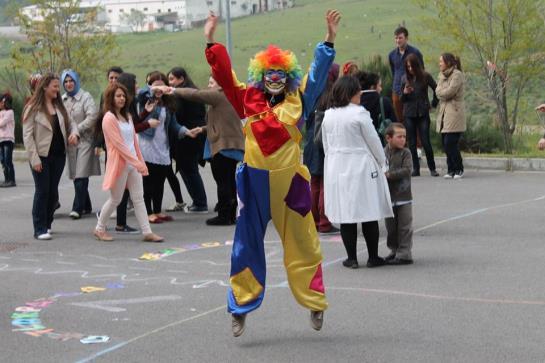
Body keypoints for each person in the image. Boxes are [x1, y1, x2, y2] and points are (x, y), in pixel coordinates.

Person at [204, 10, 339, 336]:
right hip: (253, 184)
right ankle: (240, 308)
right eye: (270, 73)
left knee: (304, 244)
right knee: (246, 245)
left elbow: (318, 73)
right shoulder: (245, 99)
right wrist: (210, 40)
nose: (275, 78)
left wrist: (329, 40)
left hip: (291, 185)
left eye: (281, 74)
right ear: (261, 76)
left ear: (288, 77)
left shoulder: (300, 100)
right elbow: (223, 75)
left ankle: (314, 301)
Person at [153, 75, 245, 226]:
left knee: (222, 181)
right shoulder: (232, 95)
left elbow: (195, 94)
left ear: (220, 84)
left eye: (211, 83)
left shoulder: (219, 95)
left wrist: (172, 90)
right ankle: (231, 215)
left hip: (223, 145)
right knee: (229, 181)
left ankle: (223, 215)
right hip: (233, 145)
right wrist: (202, 129)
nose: (208, 86)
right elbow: (224, 123)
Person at [322, 76, 393, 269]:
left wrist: (332, 162)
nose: (360, 93)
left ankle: (351, 258)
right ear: (350, 92)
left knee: (346, 213)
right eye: (357, 91)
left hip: (337, 165)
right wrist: (383, 162)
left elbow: (326, 145)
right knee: (368, 210)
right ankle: (372, 256)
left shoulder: (329, 114)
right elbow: (373, 141)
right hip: (360, 164)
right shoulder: (359, 113)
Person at [94, 83, 163, 243]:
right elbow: (119, 146)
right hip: (120, 164)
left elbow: (134, 142)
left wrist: (140, 162)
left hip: (133, 164)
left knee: (139, 198)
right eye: (118, 96)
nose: (122, 99)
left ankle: (147, 232)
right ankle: (99, 228)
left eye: (123, 96)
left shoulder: (128, 117)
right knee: (115, 199)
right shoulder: (108, 118)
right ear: (111, 98)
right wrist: (137, 163)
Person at [22, 73, 80, 240]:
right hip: (41, 157)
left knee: (53, 192)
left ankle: (47, 224)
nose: (58, 89)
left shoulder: (60, 106)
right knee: (42, 191)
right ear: (45, 87)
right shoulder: (32, 107)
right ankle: (39, 228)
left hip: (58, 156)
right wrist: (34, 160)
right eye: (55, 86)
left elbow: (73, 124)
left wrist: (74, 135)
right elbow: (27, 136)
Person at [139, 72, 198, 224]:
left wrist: (186, 131)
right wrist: (152, 89)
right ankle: (148, 212)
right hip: (147, 145)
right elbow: (141, 92)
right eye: (155, 85)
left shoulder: (168, 103)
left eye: (162, 85)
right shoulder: (145, 98)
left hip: (162, 146)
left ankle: (157, 211)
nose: (159, 89)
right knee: (148, 181)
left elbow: (173, 124)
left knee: (160, 180)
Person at [304, 63, 340, 234]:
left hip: (310, 141)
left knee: (314, 182)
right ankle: (325, 221)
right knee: (326, 183)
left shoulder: (310, 93)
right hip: (325, 142)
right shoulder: (333, 96)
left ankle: (313, 220)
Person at [61, 69, 101, 219]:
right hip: (71, 143)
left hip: (85, 140)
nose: (69, 84)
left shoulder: (86, 97)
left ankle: (77, 208)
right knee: (76, 174)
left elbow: (93, 117)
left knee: (81, 174)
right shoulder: (62, 99)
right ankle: (86, 205)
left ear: (77, 81)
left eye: (71, 81)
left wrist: (77, 130)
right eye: (66, 81)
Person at [167, 67, 208, 213]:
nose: (170, 83)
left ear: (181, 79)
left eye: (172, 79)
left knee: (189, 170)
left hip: (188, 136)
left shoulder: (181, 95)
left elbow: (179, 115)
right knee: (190, 170)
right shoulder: (193, 91)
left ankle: (200, 203)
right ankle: (198, 202)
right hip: (196, 135)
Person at [401, 54, 439, 177]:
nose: (410, 69)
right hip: (409, 113)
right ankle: (415, 169)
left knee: (425, 141)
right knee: (411, 142)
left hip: (423, 112)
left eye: (412, 66)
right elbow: (402, 100)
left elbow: (436, 89)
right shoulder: (404, 79)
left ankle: (432, 168)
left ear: (417, 65)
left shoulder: (425, 76)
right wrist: (405, 93)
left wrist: (433, 103)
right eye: (408, 67)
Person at [384, 123, 414, 265]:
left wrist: (389, 175)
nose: (403, 139)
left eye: (404, 137)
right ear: (388, 138)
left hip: (404, 197)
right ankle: (394, 250)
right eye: (399, 136)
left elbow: (407, 170)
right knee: (391, 227)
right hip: (388, 197)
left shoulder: (406, 153)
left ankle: (404, 253)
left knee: (404, 226)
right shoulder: (383, 152)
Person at [436, 53, 465, 179]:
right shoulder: (441, 75)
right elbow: (437, 91)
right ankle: (450, 169)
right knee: (444, 142)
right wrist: (443, 92)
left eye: (441, 61)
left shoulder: (457, 74)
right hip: (443, 112)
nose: (440, 64)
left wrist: (443, 92)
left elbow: (450, 92)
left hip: (454, 112)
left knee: (450, 142)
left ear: (448, 62)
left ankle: (459, 168)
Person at [388, 26, 424, 124]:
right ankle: (404, 139)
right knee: (400, 120)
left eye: (400, 38)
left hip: (411, 90)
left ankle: (416, 140)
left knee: (414, 119)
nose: (397, 40)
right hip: (397, 90)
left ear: (406, 38)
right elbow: (393, 71)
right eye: (396, 38)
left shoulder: (415, 53)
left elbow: (421, 72)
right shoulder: (391, 55)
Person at [358, 71, 397, 145]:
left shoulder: (355, 103)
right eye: (379, 86)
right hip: (381, 144)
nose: (381, 89)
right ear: (372, 87)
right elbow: (394, 125)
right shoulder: (384, 101)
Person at [0, 93, 16, 187]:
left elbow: (2, 123)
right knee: (2, 160)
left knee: (7, 160)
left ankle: (11, 180)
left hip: (8, 140)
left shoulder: (10, 112)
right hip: (1, 140)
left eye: (2, 102)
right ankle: (6, 179)